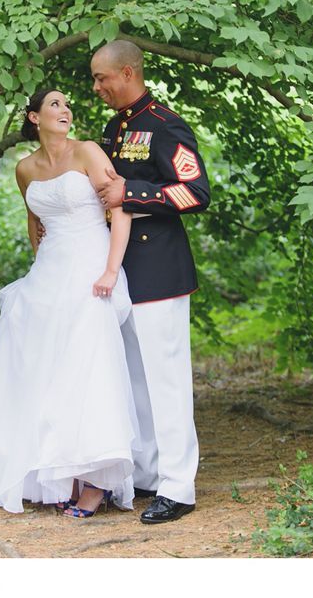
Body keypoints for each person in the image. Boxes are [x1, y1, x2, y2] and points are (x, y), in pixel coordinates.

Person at [0, 89, 141, 518]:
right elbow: (36, 223)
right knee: (46, 368)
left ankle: (97, 483)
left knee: (90, 367)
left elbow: (120, 209)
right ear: (34, 117)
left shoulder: (87, 152)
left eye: (68, 104)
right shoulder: (25, 168)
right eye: (55, 105)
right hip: (49, 274)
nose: (65, 110)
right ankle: (59, 470)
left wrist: (110, 269)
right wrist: (40, 267)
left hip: (92, 268)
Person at [90, 40, 211, 524]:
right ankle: (149, 474)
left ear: (128, 71)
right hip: (122, 271)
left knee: (167, 382)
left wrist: (134, 190)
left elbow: (196, 192)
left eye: (102, 78)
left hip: (159, 270)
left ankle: (179, 488)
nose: (96, 87)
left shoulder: (164, 125)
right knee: (136, 380)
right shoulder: (115, 127)